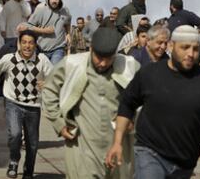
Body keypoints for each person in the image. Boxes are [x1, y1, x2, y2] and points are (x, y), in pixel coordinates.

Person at [106, 25, 200, 178]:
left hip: (185, 161)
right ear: (171, 46)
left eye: (195, 49)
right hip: (150, 152)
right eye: (184, 47)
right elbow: (127, 104)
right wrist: (117, 142)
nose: (191, 54)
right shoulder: (149, 74)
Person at [42, 28, 139, 179]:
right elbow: (49, 90)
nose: (103, 63)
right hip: (82, 145)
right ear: (91, 49)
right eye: (99, 57)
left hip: (118, 145)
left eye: (109, 58)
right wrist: (58, 123)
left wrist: (134, 119)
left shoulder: (129, 66)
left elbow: (147, 99)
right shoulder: (72, 64)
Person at [0, 30, 53, 179]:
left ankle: (28, 172)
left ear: (35, 45)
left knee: (32, 143)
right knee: (14, 134)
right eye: (24, 42)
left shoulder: (42, 60)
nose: (27, 46)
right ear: (19, 44)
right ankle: (14, 161)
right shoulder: (9, 59)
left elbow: (56, 79)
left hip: (33, 106)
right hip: (13, 103)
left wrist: (47, 84)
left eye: (31, 43)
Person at [19, 0, 71, 64]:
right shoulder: (41, 10)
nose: (54, 1)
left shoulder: (65, 11)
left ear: (60, 1)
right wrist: (44, 31)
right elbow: (28, 26)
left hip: (58, 48)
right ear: (48, 0)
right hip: (41, 49)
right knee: (40, 73)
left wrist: (68, 33)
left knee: (54, 71)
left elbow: (68, 22)